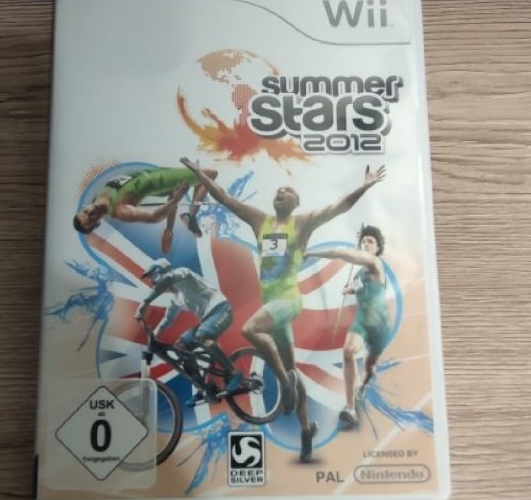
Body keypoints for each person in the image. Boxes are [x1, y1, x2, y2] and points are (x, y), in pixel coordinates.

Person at [179, 156, 385, 462]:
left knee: (251, 330)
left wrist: (364, 187)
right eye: (278, 190)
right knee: (292, 370)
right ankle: (306, 428)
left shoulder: (301, 223)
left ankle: (285, 382)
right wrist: (199, 174)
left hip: (288, 300)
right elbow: (223, 197)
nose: (280, 191)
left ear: (296, 202)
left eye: (287, 191)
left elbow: (337, 207)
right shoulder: (258, 219)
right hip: (272, 308)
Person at [305, 225, 390, 429]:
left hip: (379, 324)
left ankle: (364, 382)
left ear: (377, 248)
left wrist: (311, 253)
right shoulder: (359, 273)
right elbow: (357, 286)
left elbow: (340, 253)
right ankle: (350, 410)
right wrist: (348, 289)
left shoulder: (376, 263)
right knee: (348, 351)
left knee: (370, 368)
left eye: (370, 241)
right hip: (361, 321)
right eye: (364, 241)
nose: (366, 244)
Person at [134, 258, 241, 406]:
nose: (153, 283)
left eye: (154, 277)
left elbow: (168, 279)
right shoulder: (176, 299)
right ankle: (203, 388)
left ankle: (234, 372)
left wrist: (145, 303)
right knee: (181, 346)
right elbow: (168, 319)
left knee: (201, 335)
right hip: (207, 321)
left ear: (162, 273)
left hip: (221, 310)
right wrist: (153, 336)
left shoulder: (183, 274)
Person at [73, 165, 218, 253]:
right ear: (97, 223)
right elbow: (153, 218)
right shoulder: (119, 211)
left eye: (85, 212)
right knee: (210, 174)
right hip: (160, 179)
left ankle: (169, 231)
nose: (90, 212)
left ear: (84, 207)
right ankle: (191, 216)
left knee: (175, 192)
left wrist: (173, 200)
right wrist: (175, 200)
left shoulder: (98, 197)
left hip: (154, 173)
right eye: (91, 219)